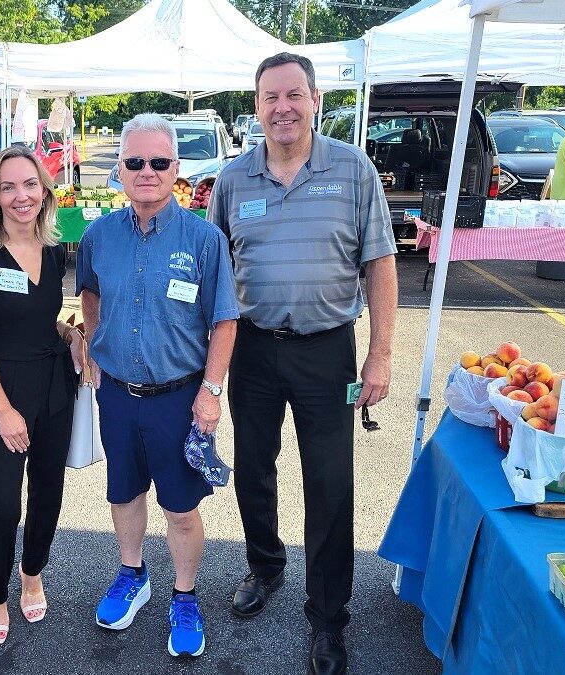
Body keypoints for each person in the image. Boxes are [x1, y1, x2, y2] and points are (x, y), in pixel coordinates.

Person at [207, 53, 397, 675]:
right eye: (270, 97)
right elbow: (214, 273)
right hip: (255, 350)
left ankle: (328, 617)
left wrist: (381, 354)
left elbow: (380, 265)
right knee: (254, 468)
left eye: (294, 95)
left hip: (328, 354)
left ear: (315, 99)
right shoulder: (234, 181)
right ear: (256, 106)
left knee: (330, 483)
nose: (283, 107)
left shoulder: (353, 170)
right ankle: (264, 565)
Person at [76, 113, 239, 658]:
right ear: (119, 169)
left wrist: (211, 392)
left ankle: (185, 595)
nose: (147, 172)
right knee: (123, 493)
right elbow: (90, 295)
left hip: (180, 399)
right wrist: (95, 344)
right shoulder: (99, 235)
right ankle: (133, 574)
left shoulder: (204, 238)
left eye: (159, 162)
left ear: (177, 169)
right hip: (118, 396)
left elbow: (225, 320)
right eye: (135, 162)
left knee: (181, 507)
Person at [0, 145, 83, 646]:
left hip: (55, 390)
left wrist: (69, 335)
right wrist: (3, 409)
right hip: (5, 393)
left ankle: (32, 571)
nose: (21, 195)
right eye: (9, 186)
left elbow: (35, 316)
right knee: (4, 504)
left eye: (30, 184)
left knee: (48, 492)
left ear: (44, 191)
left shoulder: (54, 248)